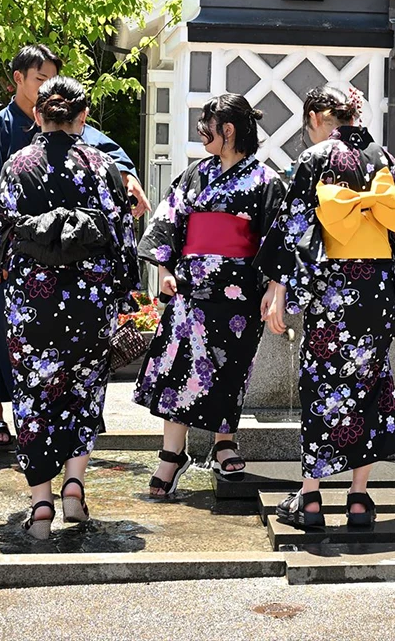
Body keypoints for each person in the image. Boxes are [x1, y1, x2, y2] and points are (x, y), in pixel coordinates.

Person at [0, 45, 149, 450]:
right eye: (39, 78)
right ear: (19, 80)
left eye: (51, 79)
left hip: (74, 262)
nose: (47, 87)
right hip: (16, 259)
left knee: (69, 353)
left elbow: (114, 159)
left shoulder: (75, 129)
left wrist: (129, 178)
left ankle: (57, 438)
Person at [256, 86, 395, 530]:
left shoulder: (317, 158)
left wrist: (279, 286)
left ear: (316, 119)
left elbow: (294, 227)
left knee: (322, 383)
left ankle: (310, 499)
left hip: (334, 289)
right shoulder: (383, 155)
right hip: (377, 289)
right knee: (369, 382)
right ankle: (359, 499)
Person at [0, 76, 139, 539]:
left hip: (35, 298)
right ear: (83, 118)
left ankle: (40, 505)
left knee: (34, 396)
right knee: (83, 389)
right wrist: (123, 289)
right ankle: (74, 485)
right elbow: (121, 233)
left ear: (38, 115)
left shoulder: (18, 164)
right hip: (89, 298)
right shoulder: (101, 165)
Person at [134, 94, 287, 497]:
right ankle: (172, 453)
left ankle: (224, 443)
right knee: (177, 369)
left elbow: (279, 238)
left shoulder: (266, 182)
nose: (201, 133)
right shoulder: (193, 176)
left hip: (239, 297)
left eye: (207, 126)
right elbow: (168, 221)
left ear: (229, 130)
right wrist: (164, 269)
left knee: (229, 371)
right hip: (189, 291)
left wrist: (274, 288)